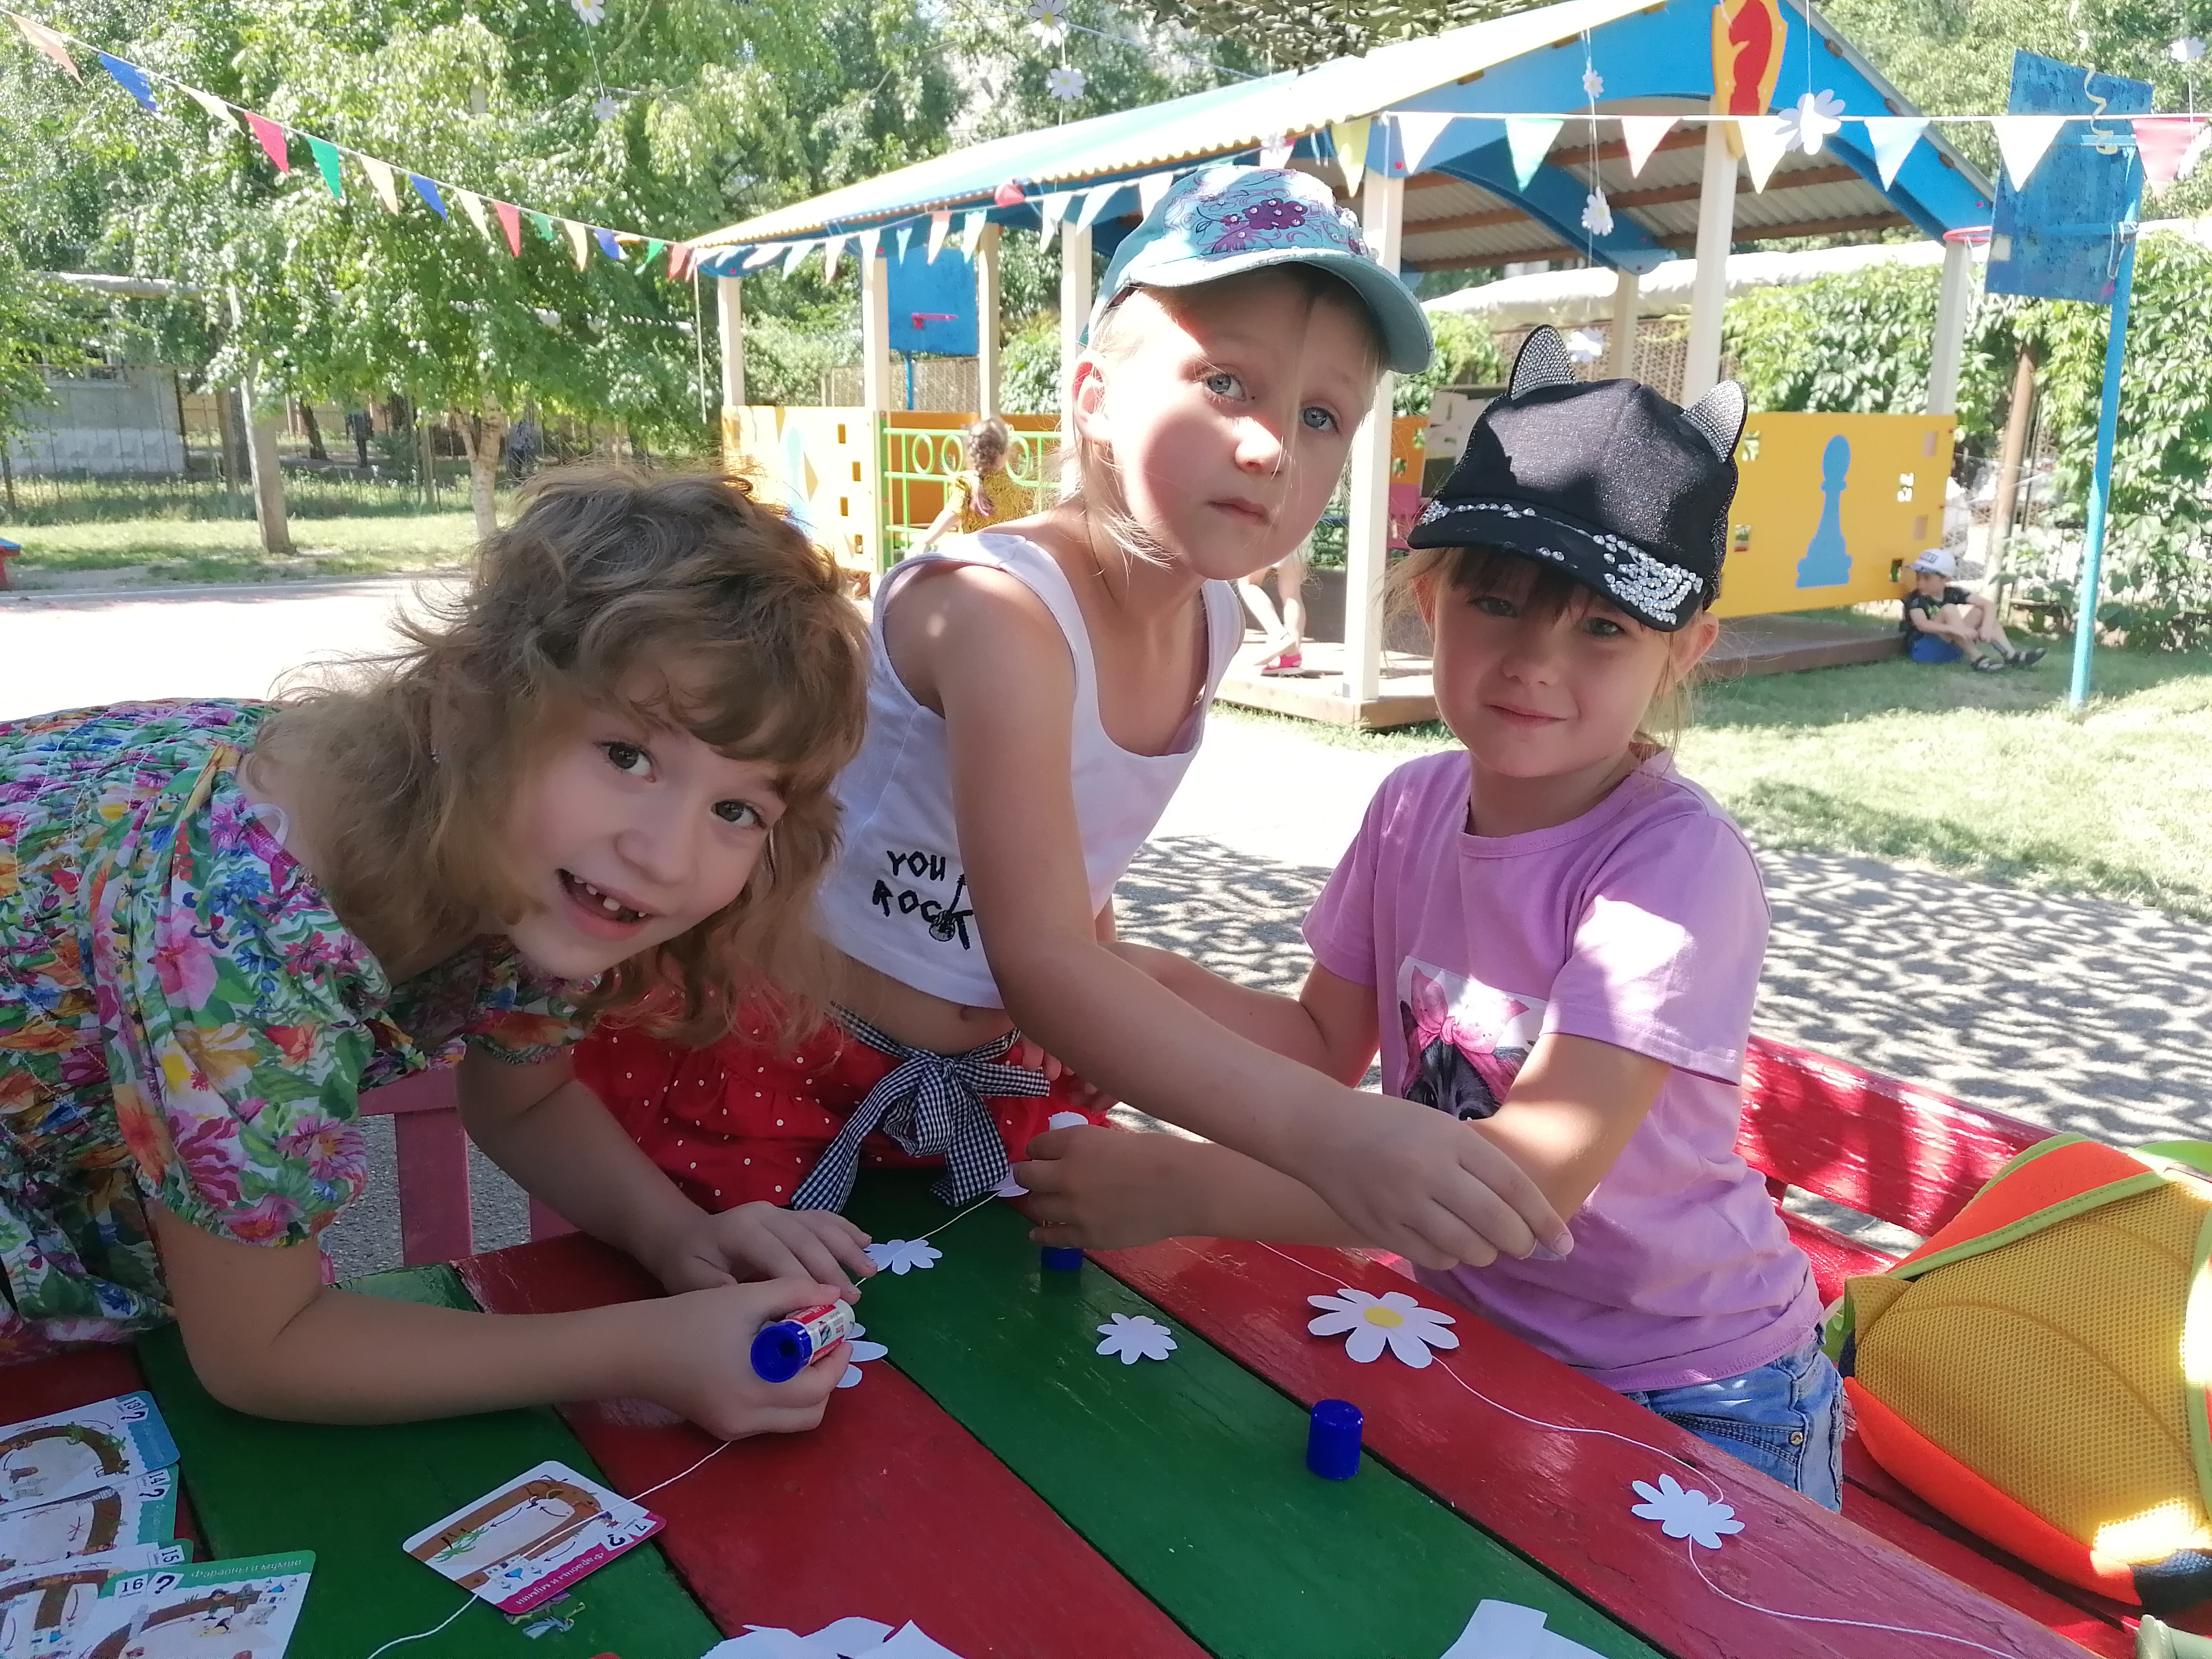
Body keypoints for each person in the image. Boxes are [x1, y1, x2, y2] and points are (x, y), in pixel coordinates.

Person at [581, 166, 1569, 1272]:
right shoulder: (997, 612)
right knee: (754, 1344)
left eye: (1320, 415)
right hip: (779, 1058)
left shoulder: (1210, 620)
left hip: (987, 1079)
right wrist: (1332, 1134)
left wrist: (1104, 981)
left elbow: (1072, 858)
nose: (1270, 447)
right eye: (1225, 382)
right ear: (1093, 397)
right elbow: (1038, 956)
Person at [1016, 329, 1843, 1509]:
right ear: (1429, 603)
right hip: (1467, 1334)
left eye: (1601, 628)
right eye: (1496, 603)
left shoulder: (1673, 867)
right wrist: (1125, 983)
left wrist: (1193, 1187)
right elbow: (1318, 1041)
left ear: (1682, 653)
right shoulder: (1411, 806)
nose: (1534, 662)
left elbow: (1519, 1189)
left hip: (1696, 1391)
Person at [0, 465, 881, 1441]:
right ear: (467, 704)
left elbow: (526, 1098)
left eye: (736, 809)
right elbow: (260, 1350)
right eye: (627, 755)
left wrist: (680, 1237)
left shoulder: (525, 853)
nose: (667, 857)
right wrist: (641, 1350)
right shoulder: (238, 922)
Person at [1901, 547, 2042, 671]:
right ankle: (1977, 658)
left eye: (1927, 578)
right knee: (1949, 609)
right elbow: (1923, 625)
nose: (1920, 583)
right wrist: (1956, 629)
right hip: (1925, 652)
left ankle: (2011, 656)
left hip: (1952, 650)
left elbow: (1988, 605)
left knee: (1980, 612)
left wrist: (1986, 628)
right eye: (1918, 577)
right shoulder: (1916, 599)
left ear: (1946, 579)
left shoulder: (1953, 593)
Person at [911, 417, 1028, 554]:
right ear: (1002, 454)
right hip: (1007, 552)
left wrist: (925, 540)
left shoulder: (966, 483)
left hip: (976, 552)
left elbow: (952, 512)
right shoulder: (1007, 485)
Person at [1237, 539, 1310, 674]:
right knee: (1292, 595)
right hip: (1300, 533)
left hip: (1269, 533)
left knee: (1248, 583)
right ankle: (1292, 656)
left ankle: (1280, 636)